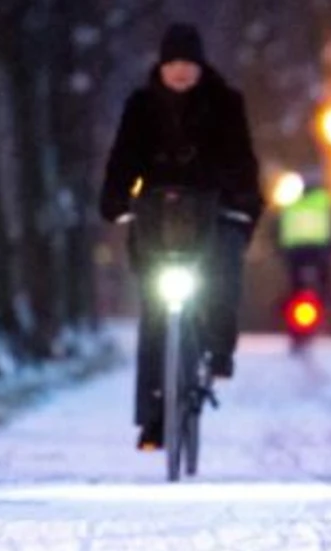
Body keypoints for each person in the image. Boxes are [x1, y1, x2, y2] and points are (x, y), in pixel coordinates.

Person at [98, 23, 263, 449]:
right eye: (174, 63)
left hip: (214, 212)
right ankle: (154, 417)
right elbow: (123, 158)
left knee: (222, 280)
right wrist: (115, 200)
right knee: (155, 313)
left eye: (189, 63)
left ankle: (218, 352)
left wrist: (243, 203)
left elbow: (242, 160)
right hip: (157, 216)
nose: (181, 71)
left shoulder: (226, 103)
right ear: (161, 66)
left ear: (201, 65)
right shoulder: (141, 106)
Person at [276, 174, 331, 303]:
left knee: (294, 278)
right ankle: (326, 298)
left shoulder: (289, 199)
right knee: (324, 275)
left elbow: (278, 225)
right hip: (319, 247)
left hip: (294, 248)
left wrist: (278, 247)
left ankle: (294, 296)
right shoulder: (323, 199)